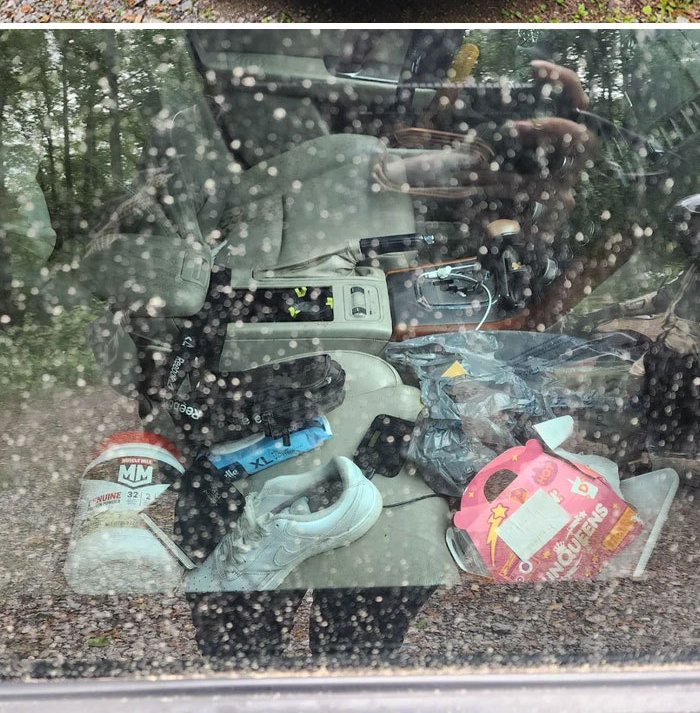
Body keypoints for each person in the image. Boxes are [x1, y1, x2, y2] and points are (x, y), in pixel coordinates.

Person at [81, 45, 592, 666]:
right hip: (270, 460)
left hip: (383, 466)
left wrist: (544, 186)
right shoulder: (238, 150)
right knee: (281, 655)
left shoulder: (454, 191)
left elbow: (532, 306)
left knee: (298, 655)